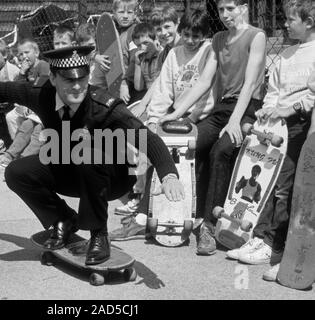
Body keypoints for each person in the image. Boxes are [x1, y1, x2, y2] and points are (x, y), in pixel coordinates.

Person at [0, 45, 185, 265]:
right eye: (69, 80)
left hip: (113, 177)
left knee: (90, 154)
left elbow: (146, 137)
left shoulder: (103, 105)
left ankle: (98, 234)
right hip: (73, 169)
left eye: (81, 79)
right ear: (53, 79)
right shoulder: (42, 95)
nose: (76, 87)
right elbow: (3, 90)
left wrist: (168, 174)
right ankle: (63, 219)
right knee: (17, 172)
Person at [160, 0, 267, 256]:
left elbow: (251, 83)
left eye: (231, 8)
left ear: (243, 7)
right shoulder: (219, 39)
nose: (226, 14)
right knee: (193, 142)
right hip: (223, 108)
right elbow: (204, 82)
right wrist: (176, 113)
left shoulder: (257, 36)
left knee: (220, 151)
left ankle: (208, 225)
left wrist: (235, 121)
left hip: (248, 107)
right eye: (221, 9)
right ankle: (188, 213)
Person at [223, 0, 315, 280]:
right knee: (267, 180)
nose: (285, 24)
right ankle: (261, 238)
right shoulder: (286, 54)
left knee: (283, 186)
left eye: (291, 20)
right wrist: (269, 108)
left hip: (299, 126)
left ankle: (273, 244)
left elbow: (310, 96)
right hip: (276, 125)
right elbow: (274, 89)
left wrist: (291, 110)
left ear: (309, 22)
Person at [111, 9, 215, 236]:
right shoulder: (174, 54)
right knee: (153, 143)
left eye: (195, 36)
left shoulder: (209, 51)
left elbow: (206, 91)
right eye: (186, 35)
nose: (190, 41)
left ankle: (183, 215)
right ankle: (144, 214)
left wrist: (188, 117)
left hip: (199, 116)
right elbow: (164, 90)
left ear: (204, 35)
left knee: (183, 150)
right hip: (174, 115)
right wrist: (154, 121)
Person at [0, 38, 50, 174]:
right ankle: (10, 158)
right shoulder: (26, 69)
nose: (23, 56)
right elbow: (16, 88)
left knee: (36, 128)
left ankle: (23, 162)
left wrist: (29, 104)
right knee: (14, 118)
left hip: (44, 107)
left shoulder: (42, 65)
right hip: (32, 108)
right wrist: (22, 72)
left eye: (27, 52)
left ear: (36, 53)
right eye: (20, 54)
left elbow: (42, 88)